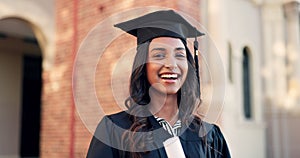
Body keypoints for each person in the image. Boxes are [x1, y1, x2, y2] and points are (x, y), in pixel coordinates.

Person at [87, 10, 231, 158]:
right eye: (159, 55)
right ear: (143, 66)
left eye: (179, 55)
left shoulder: (210, 136)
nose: (171, 64)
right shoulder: (114, 130)